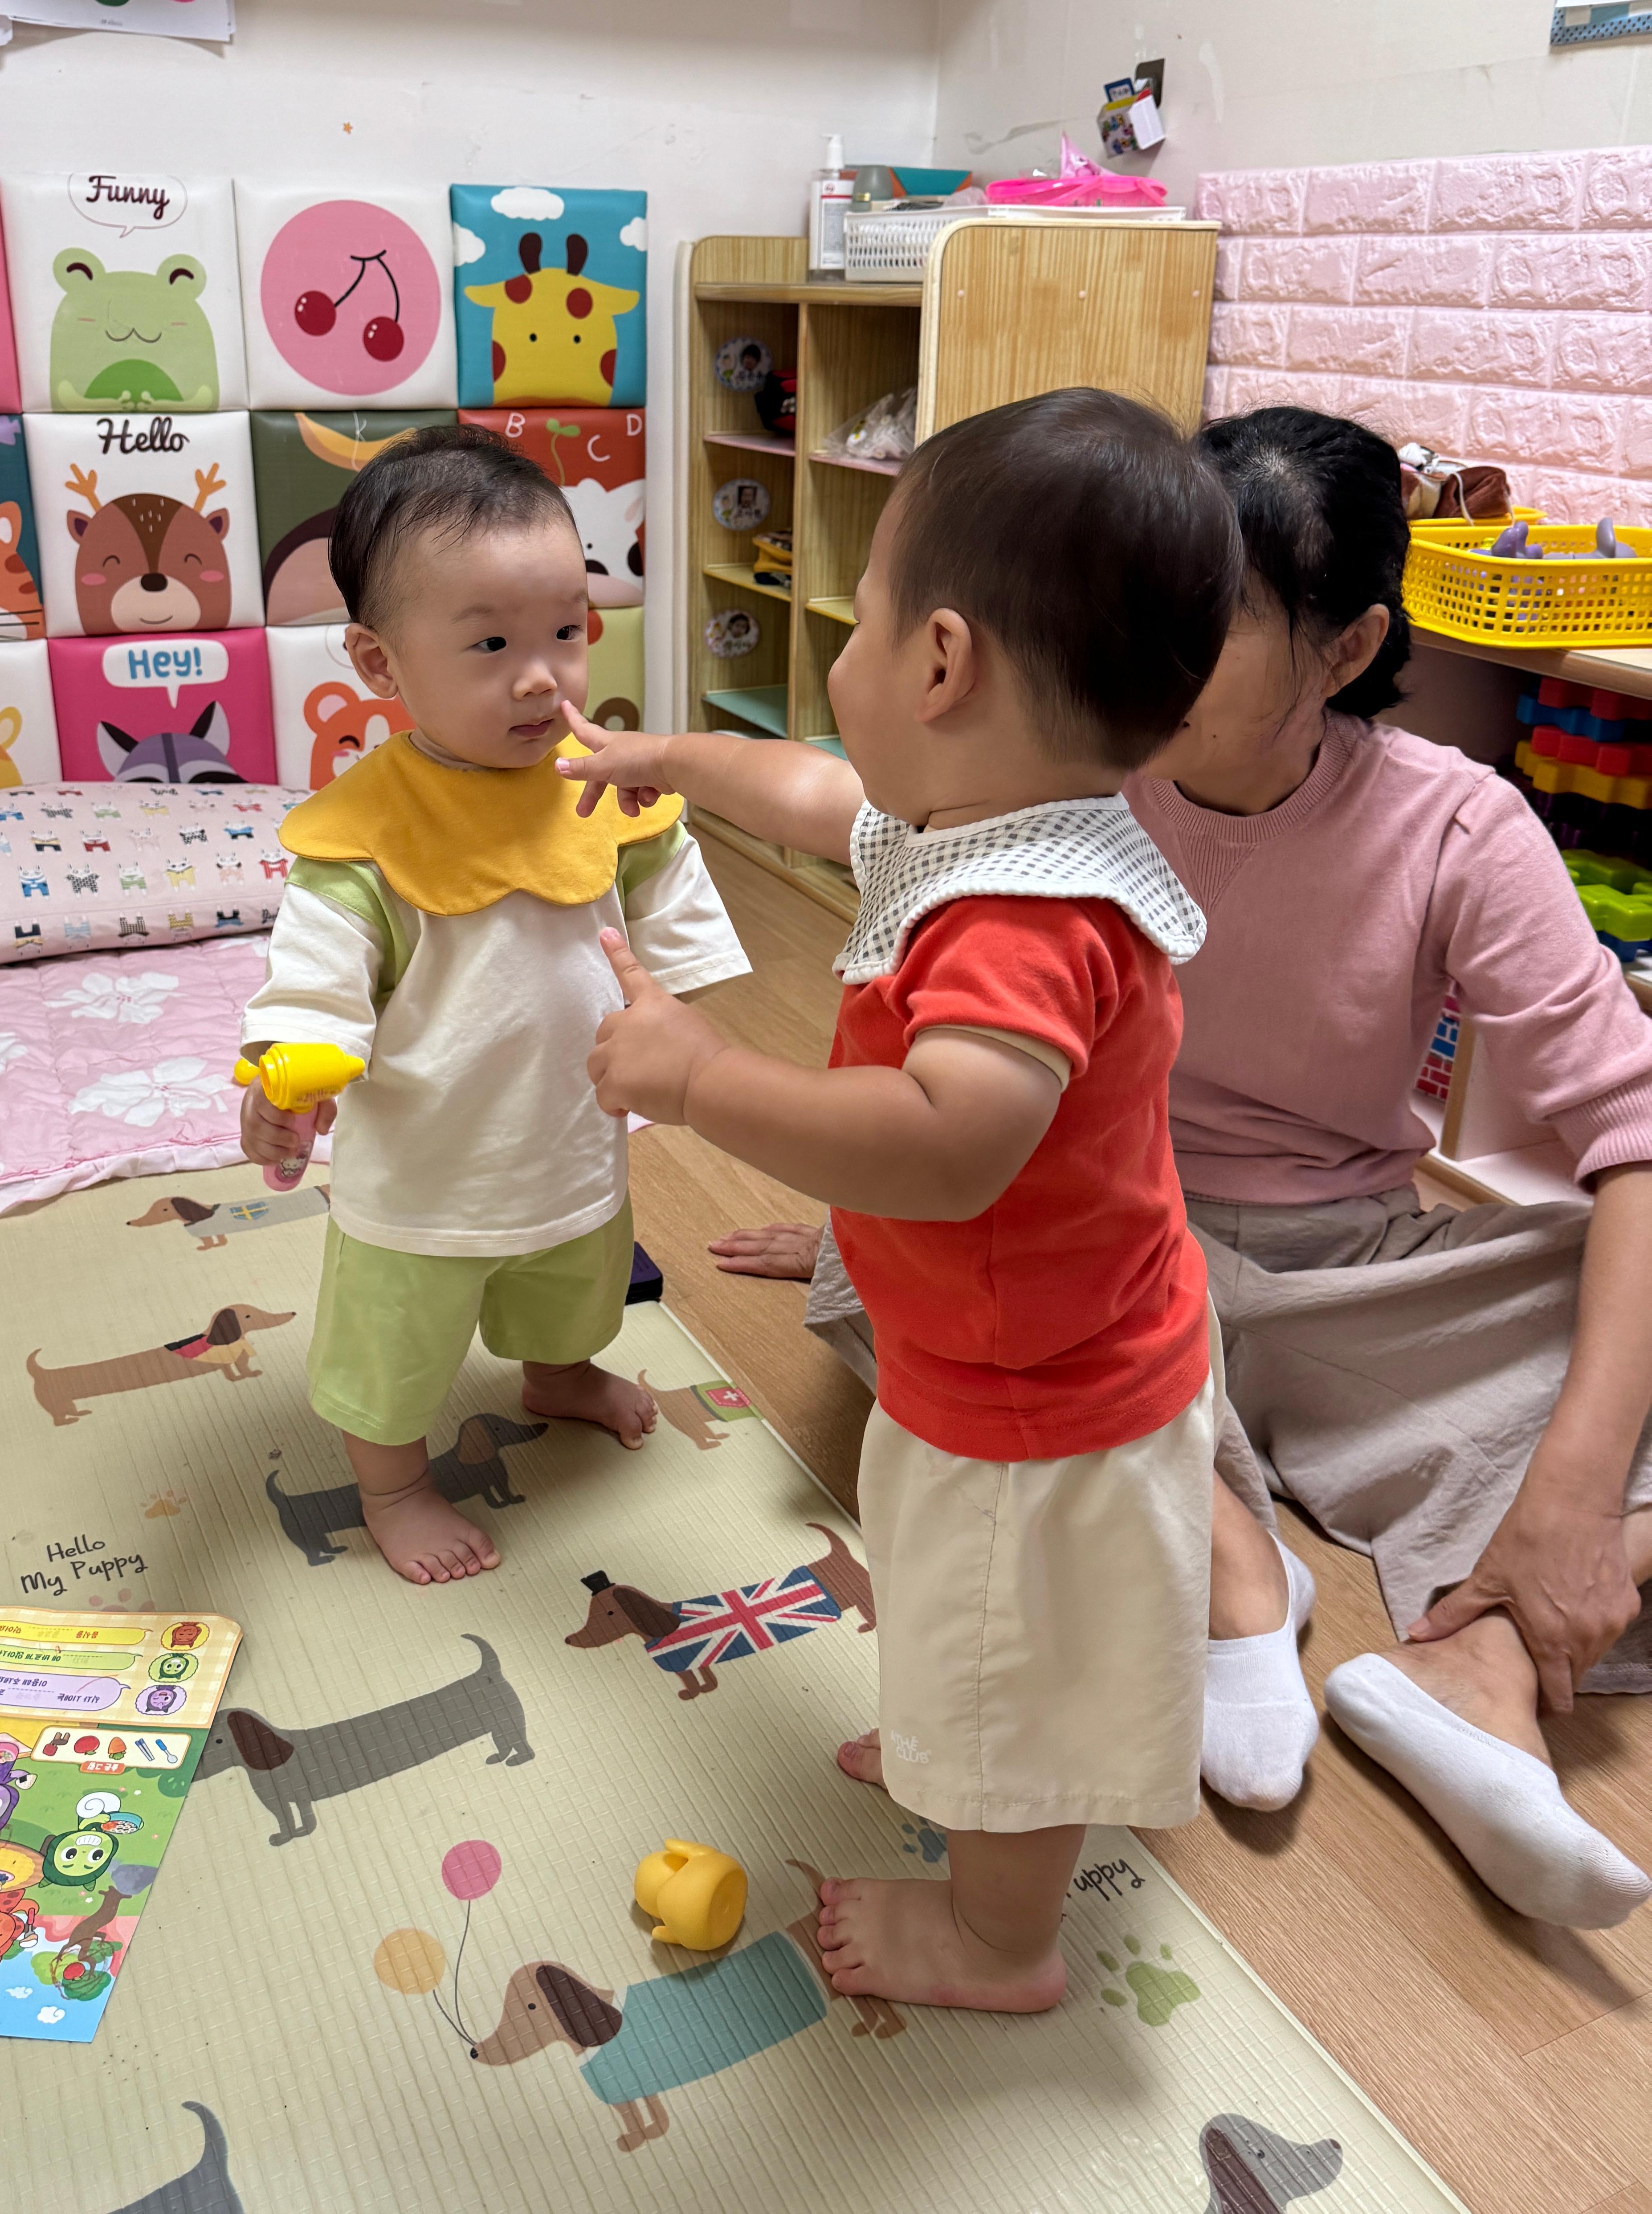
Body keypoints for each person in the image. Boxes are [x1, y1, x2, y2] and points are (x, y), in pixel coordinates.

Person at [739, 404, 1652, 1932]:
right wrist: (826, 1162)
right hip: (1089, 1242)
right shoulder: (1057, 771)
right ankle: (1233, 1568)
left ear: (1346, 649)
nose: (1134, 652)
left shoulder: (1456, 826)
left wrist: (1566, 1496)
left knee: (1618, 1350)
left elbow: (1631, 1134)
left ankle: (1474, 1670)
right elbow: (905, 974)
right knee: (880, 1256)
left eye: (1198, 621)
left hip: (1341, 1260)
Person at [563, 388, 1244, 2013]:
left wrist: (697, 1077)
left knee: (1018, 1654)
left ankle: (999, 1938)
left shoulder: (1021, 918)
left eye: (859, 617)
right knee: (969, 1618)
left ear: (940, 663)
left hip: (1042, 1406)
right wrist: (662, 756)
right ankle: (970, 1736)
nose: (845, 658)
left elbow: (949, 1145)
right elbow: (806, 793)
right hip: (1000, 1360)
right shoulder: (985, 819)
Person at [240, 426, 748, 1586]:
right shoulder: (361, 838)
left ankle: (557, 1376)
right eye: (490, 643)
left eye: (566, 631)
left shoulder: (609, 790)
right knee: (397, 1348)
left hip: (571, 1141)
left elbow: (667, 924)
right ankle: (396, 1484)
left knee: (571, 1286)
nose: (542, 675)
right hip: (424, 1176)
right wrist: (287, 1076)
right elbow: (313, 984)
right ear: (379, 663)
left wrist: (689, 1040)